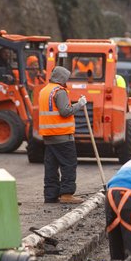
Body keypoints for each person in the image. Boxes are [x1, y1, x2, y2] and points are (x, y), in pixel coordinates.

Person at [38, 66, 87, 204]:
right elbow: (65, 111)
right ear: (62, 78)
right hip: (62, 135)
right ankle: (66, 194)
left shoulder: (44, 91)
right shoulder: (59, 92)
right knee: (69, 164)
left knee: (51, 166)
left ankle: (50, 195)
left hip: (48, 136)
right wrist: (79, 104)